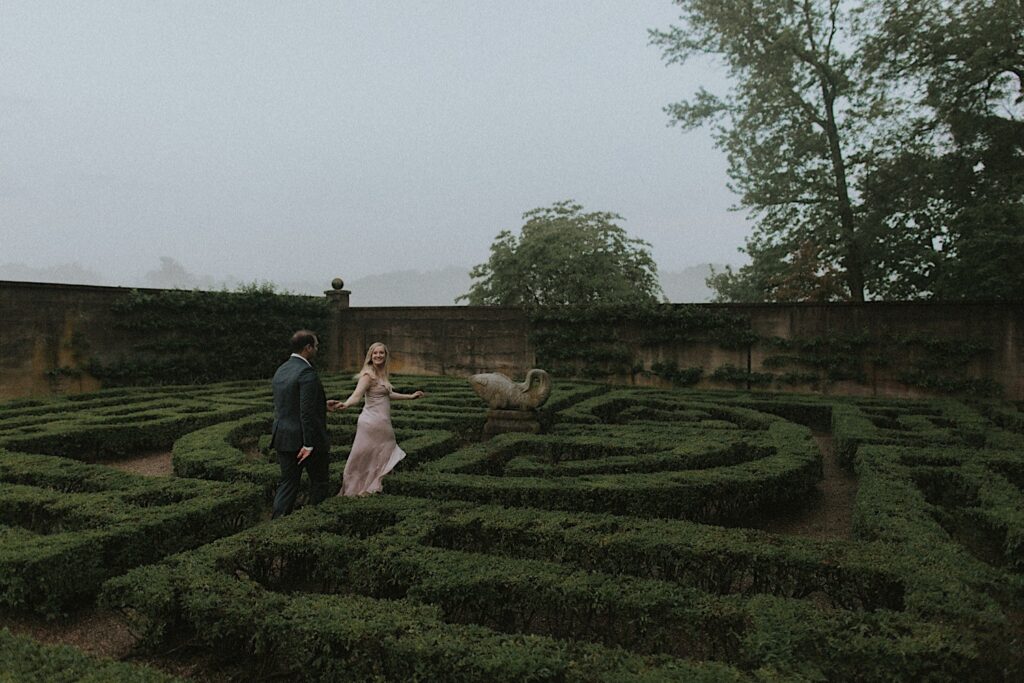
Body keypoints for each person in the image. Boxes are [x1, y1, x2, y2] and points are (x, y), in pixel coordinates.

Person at [333, 342, 424, 496]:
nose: (378, 355)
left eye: (381, 353)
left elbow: (388, 394)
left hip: (381, 423)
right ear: (370, 356)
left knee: (375, 454)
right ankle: (362, 488)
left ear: (385, 356)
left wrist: (410, 396)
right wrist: (346, 404)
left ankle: (369, 488)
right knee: (366, 455)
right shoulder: (368, 375)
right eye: (375, 353)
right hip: (371, 422)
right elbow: (357, 395)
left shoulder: (382, 374)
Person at [269, 330, 340, 518]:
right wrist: (308, 444)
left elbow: (291, 402)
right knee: (319, 483)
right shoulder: (306, 371)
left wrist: (322, 405)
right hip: (305, 441)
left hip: (283, 437)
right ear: (307, 348)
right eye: (315, 346)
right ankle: (314, 521)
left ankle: (277, 524)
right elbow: (305, 412)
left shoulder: (282, 369)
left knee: (288, 484)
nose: (317, 349)